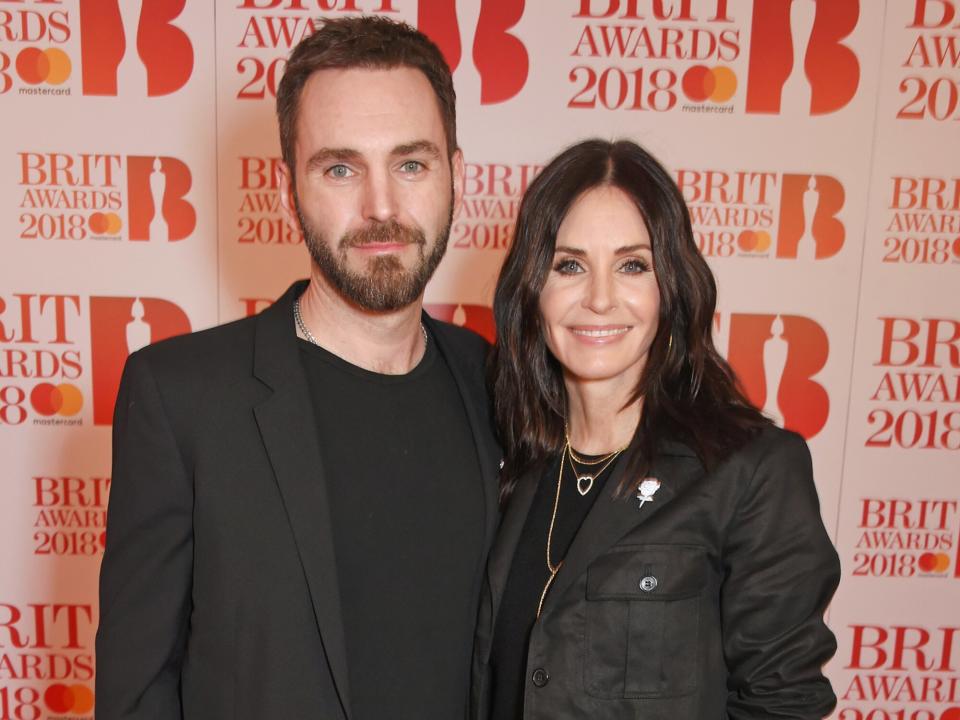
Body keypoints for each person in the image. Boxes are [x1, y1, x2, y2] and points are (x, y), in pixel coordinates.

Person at [96, 17, 501, 720]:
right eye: (340, 168)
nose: (381, 207)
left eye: (411, 164)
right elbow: (135, 692)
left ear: (456, 176)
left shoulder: (501, 388)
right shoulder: (181, 398)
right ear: (289, 191)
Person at [474, 139, 840, 719]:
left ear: (670, 286)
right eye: (569, 265)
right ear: (532, 288)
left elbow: (783, 705)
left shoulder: (751, 472)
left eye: (631, 265)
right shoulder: (505, 455)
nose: (598, 298)